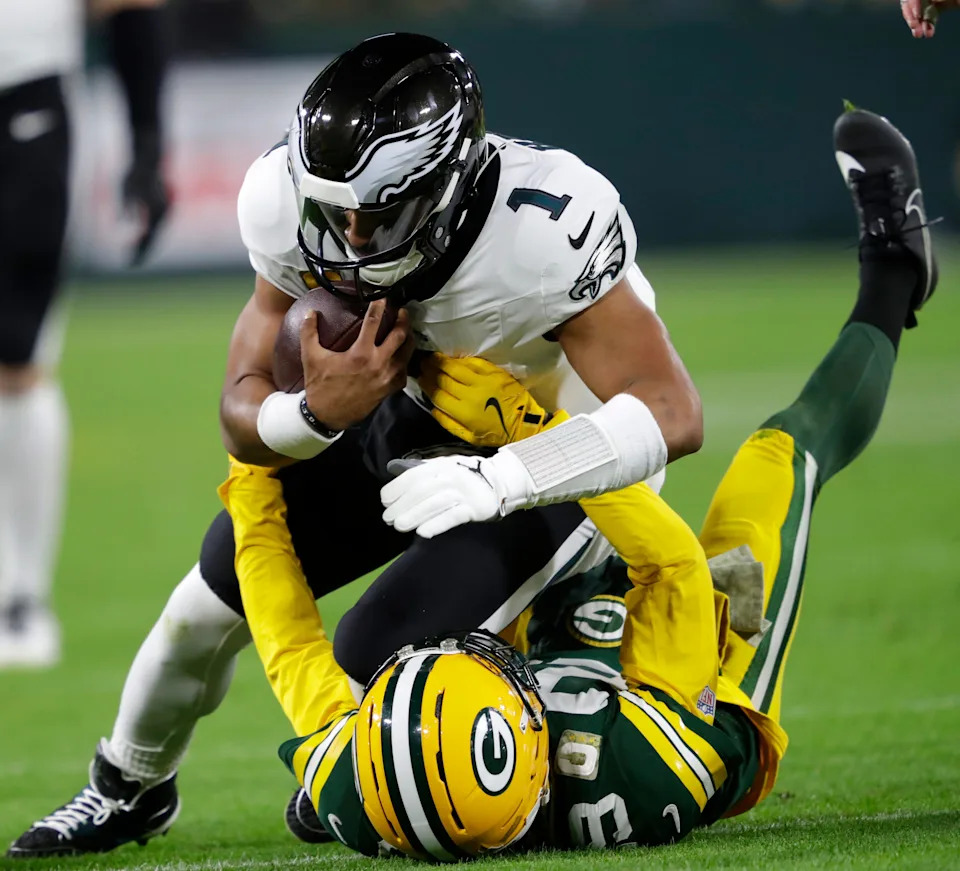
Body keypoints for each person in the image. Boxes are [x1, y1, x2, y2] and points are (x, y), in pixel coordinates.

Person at [6, 32, 702, 856]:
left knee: (374, 655)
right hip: (413, 409)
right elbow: (239, 405)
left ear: (443, 189)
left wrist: (506, 479)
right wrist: (314, 416)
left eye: (374, 216)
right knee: (202, 606)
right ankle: (126, 786)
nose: (346, 237)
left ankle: (564, 645)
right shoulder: (283, 200)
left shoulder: (543, 231)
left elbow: (669, 412)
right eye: (330, 210)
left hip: (563, 463)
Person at [215, 104, 938, 858]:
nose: (476, 654)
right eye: (478, 672)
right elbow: (672, 566)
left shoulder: (357, 778)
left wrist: (254, 471)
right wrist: (514, 423)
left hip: (541, 702)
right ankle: (893, 276)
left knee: (410, 632)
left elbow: (284, 628)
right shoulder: (640, 765)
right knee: (780, 458)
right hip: (687, 682)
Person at [0, 0, 170, 669]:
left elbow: (130, 8)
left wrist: (149, 141)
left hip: (26, 97)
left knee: (16, 354)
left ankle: (19, 598)